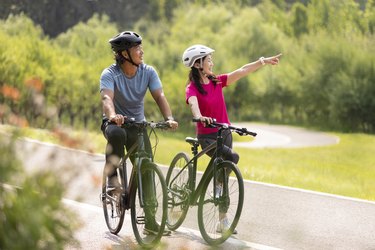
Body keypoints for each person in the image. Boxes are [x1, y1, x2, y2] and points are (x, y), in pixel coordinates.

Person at [182, 44, 281, 234]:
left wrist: (263, 62)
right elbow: (193, 104)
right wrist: (200, 116)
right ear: (197, 64)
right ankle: (217, 187)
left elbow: (242, 71)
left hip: (224, 134)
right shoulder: (192, 88)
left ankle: (222, 219)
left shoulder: (217, 82)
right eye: (208, 59)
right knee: (231, 158)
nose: (212, 62)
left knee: (224, 169)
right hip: (208, 137)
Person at [100, 31, 178, 235]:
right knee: (117, 134)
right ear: (124, 53)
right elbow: (107, 99)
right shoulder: (110, 74)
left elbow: (159, 95)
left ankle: (150, 222)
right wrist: (113, 115)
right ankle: (112, 177)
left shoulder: (148, 72)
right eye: (137, 48)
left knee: (146, 169)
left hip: (138, 125)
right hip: (115, 122)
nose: (141, 52)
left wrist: (169, 118)